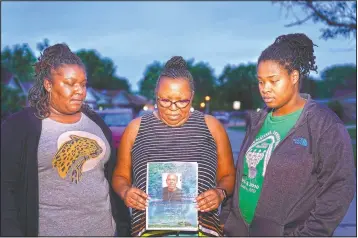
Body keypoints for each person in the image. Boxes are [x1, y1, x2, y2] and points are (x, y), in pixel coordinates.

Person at [221, 33, 356, 236]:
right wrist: (227, 221)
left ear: (294, 77)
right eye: (260, 81)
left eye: (273, 81)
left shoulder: (323, 124)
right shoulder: (258, 121)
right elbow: (243, 176)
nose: (265, 89)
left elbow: (339, 188)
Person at [1, 43, 130, 236]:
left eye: (83, 84)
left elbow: (112, 179)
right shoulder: (19, 127)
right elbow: (5, 192)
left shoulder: (97, 124)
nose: (80, 91)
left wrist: (124, 229)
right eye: (70, 83)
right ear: (48, 84)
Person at [112, 56, 236, 237]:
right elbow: (119, 176)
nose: (173, 107)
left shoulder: (211, 127)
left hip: (202, 232)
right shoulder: (135, 129)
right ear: (156, 96)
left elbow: (228, 175)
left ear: (192, 97)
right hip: (150, 232)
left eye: (182, 101)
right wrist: (125, 192)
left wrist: (220, 193)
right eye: (165, 100)